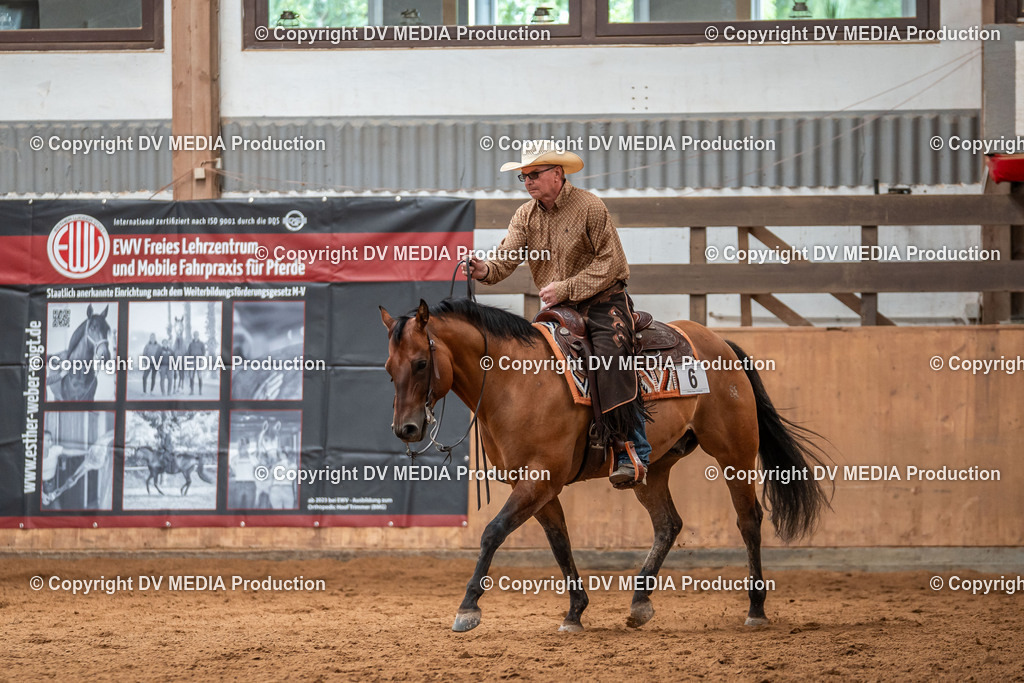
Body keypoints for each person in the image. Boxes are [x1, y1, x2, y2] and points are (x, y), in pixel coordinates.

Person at [466, 141, 651, 488]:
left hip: (603, 299)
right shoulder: (525, 215)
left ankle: (631, 449)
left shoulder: (590, 207)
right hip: (559, 308)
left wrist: (566, 288)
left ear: (557, 174)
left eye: (534, 174)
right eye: (523, 177)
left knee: (611, 357)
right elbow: (506, 256)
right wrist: (484, 269)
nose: (528, 182)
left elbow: (608, 262)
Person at [187, 331, 205, 396]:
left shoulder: (201, 344)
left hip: (199, 361)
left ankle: (200, 391)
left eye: (197, 335)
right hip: (192, 361)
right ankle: (191, 391)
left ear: (198, 335)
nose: (196, 336)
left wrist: (201, 359)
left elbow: (203, 352)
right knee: (191, 376)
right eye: (194, 335)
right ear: (193, 336)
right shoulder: (191, 344)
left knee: (200, 376)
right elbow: (188, 353)